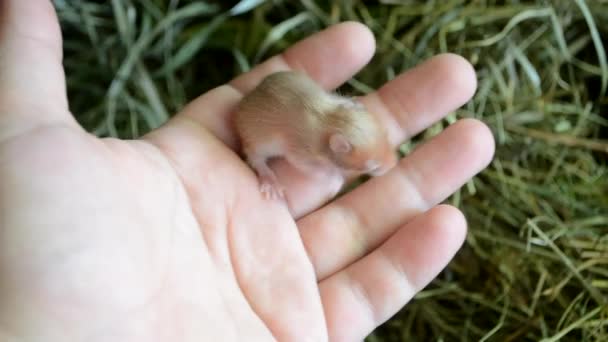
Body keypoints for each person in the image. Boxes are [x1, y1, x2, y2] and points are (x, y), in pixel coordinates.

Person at [0, 1, 494, 341]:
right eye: (365, 163)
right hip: (263, 123)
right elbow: (304, 156)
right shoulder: (311, 145)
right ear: (337, 148)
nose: (379, 169)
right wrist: (269, 169)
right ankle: (257, 164)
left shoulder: (337, 125)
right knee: (265, 149)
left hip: (293, 99)